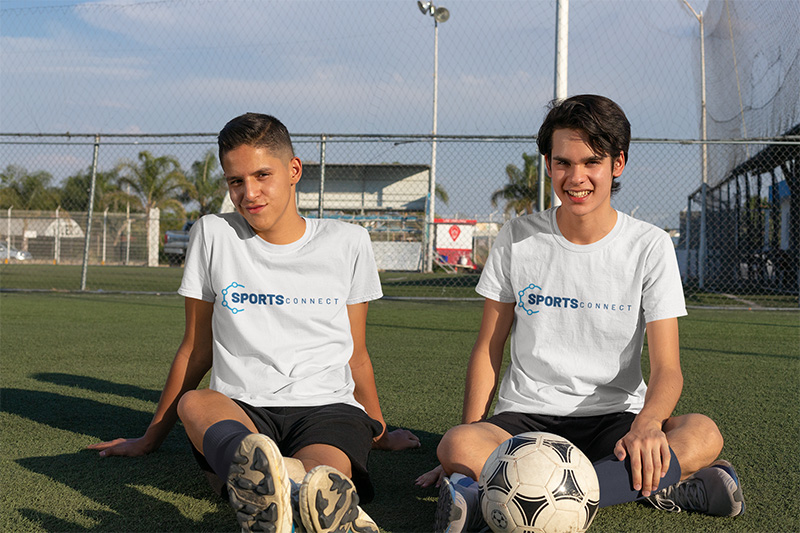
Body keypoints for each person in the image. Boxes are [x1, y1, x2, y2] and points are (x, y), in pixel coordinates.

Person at [416, 95, 745, 532]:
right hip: (527, 418)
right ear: (548, 164)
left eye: (591, 161)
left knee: (703, 434)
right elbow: (488, 347)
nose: (576, 177)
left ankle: (492, 497)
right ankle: (659, 485)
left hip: (616, 419)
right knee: (457, 443)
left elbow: (668, 368)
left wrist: (646, 425)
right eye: (563, 162)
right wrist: (465, 447)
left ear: (617, 164)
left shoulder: (649, 246)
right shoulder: (517, 239)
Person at [88, 112, 420, 533]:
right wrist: (149, 437)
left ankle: (288, 496)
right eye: (235, 181)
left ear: (294, 169)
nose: (250, 193)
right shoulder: (212, 235)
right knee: (196, 403)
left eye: (263, 175)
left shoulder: (348, 242)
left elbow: (356, 354)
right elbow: (195, 348)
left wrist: (379, 431)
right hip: (240, 406)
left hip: (327, 408)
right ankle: (288, 494)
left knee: (323, 476)